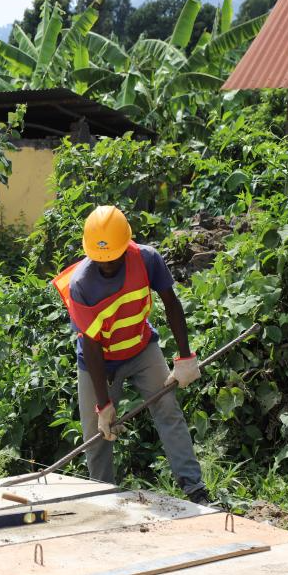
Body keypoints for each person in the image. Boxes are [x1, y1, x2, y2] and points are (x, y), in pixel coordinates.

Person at [52, 205, 211, 505]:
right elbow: (91, 346)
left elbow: (171, 303)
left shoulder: (147, 259)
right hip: (99, 363)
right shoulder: (81, 285)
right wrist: (104, 406)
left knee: (168, 409)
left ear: (126, 245)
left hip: (141, 348)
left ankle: (195, 489)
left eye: (113, 257)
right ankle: (102, 500)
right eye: (101, 259)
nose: (108, 265)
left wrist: (185, 358)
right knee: (98, 435)